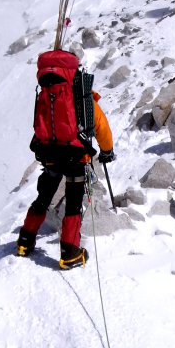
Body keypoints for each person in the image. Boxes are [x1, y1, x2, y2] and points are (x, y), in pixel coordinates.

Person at [17, 49, 115, 270]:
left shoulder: (45, 91)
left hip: (50, 152)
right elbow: (100, 126)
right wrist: (107, 151)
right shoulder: (80, 95)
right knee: (73, 204)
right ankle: (70, 253)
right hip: (75, 156)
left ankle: (25, 240)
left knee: (43, 197)